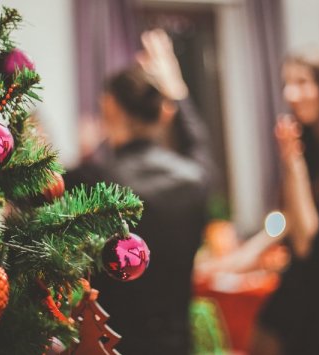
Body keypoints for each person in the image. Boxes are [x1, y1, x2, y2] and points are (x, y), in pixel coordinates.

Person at [198, 49, 319, 354]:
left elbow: (305, 240)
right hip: (300, 294)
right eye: (287, 83)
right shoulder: (314, 150)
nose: (290, 93)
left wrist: (293, 163)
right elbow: (287, 220)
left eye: (302, 82)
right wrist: (240, 258)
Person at [66, 29, 215, 355]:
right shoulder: (195, 177)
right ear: (164, 110)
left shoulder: (93, 179)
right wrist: (179, 93)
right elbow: (198, 144)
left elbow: (30, 194)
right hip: (176, 345)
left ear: (110, 108)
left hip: (113, 344)